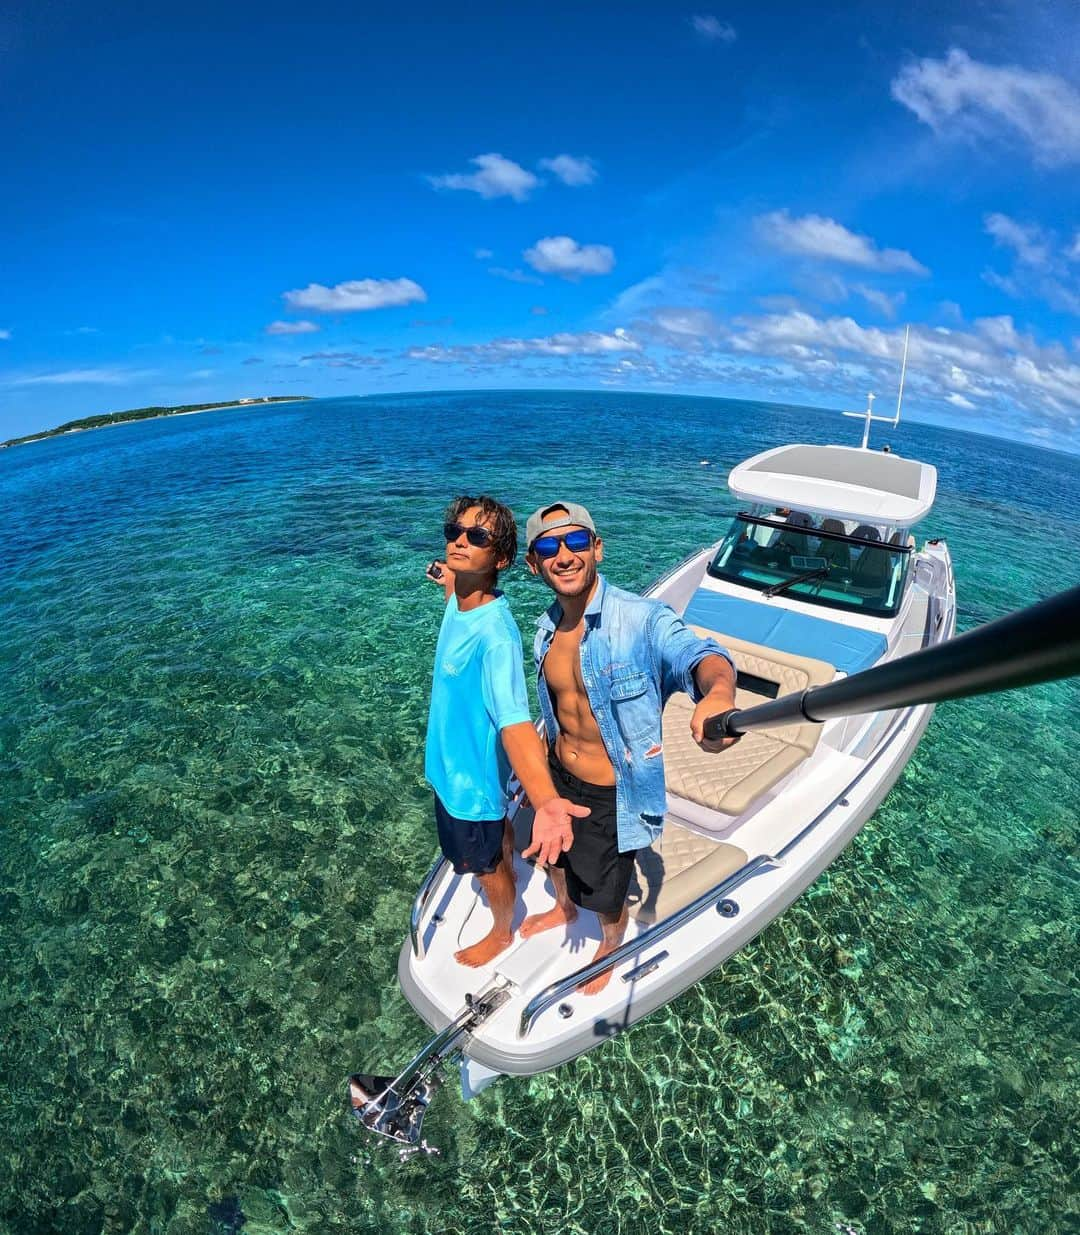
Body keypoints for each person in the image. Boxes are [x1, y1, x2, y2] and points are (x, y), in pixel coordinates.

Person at [519, 501, 739, 994]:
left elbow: (701, 656)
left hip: (608, 792)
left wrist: (719, 695)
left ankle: (611, 942)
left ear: (596, 548)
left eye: (576, 542)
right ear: (533, 564)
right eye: (548, 547)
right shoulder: (544, 630)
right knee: (554, 859)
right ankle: (562, 906)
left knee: (605, 885)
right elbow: (555, 712)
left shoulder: (642, 619)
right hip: (557, 775)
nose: (564, 555)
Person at [425, 495, 590, 969]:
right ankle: (505, 857)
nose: (459, 541)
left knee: (487, 867)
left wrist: (544, 801)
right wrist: (445, 576)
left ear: (500, 559)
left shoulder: (497, 636)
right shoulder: (462, 597)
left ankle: (501, 930)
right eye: (453, 532)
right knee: (497, 842)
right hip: (448, 766)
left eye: (476, 537)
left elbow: (515, 721)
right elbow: (454, 589)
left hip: (470, 785)